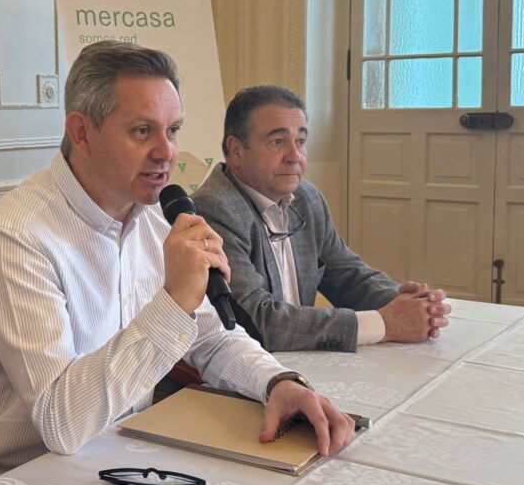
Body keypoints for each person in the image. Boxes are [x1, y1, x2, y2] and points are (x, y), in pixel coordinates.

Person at [0, 42, 356, 480]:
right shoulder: (17, 235)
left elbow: (213, 337)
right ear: (81, 133)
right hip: (12, 480)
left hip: (119, 449)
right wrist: (175, 299)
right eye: (142, 131)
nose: (166, 152)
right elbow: (60, 422)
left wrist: (277, 382)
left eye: (173, 130)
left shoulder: (154, 216)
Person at [191, 85, 451, 352]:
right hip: (242, 365)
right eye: (278, 142)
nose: (295, 156)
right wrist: (384, 323)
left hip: (299, 355)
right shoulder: (213, 210)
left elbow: (347, 274)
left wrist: (407, 302)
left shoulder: (306, 198)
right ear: (236, 151)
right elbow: (256, 320)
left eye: (300, 141)